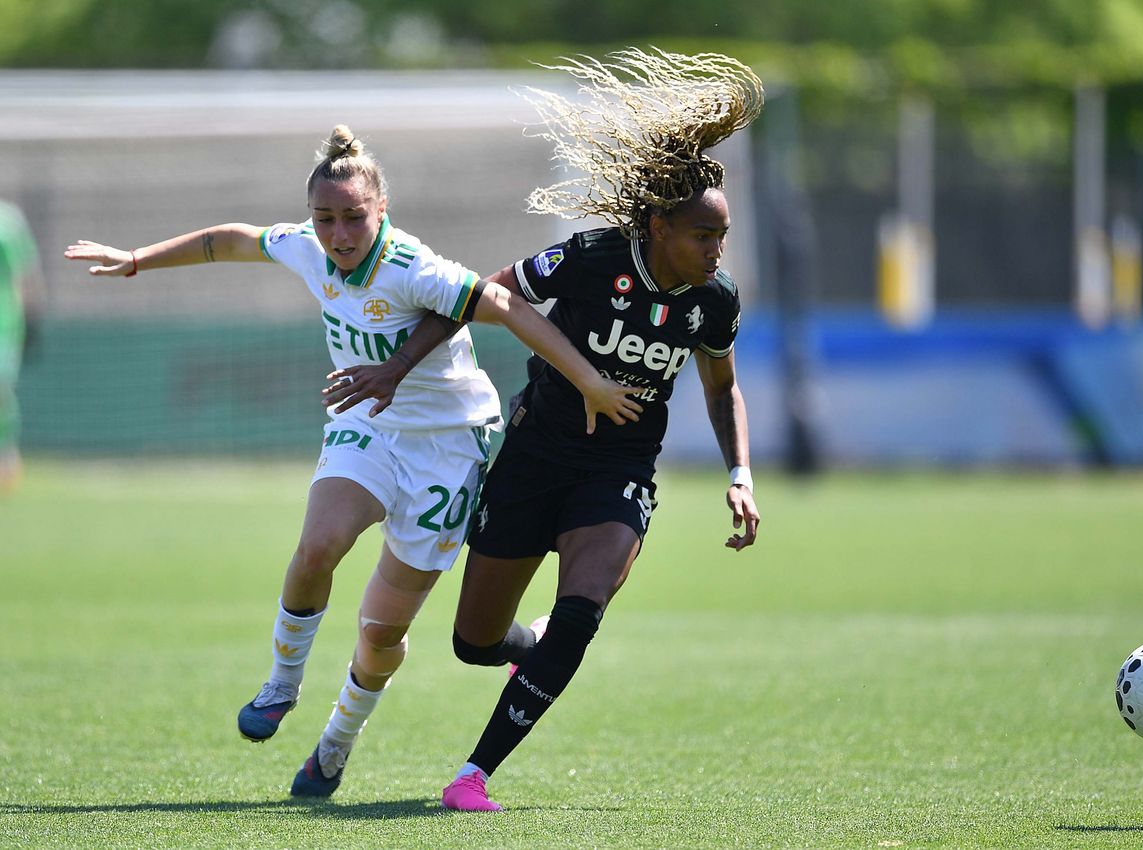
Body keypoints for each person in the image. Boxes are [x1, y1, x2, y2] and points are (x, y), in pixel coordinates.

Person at [64, 125, 642, 798]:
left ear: (382, 213)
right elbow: (231, 239)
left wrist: (588, 381)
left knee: (379, 633)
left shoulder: (413, 269)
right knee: (318, 547)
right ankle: (281, 684)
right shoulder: (307, 248)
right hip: (369, 426)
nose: (338, 234)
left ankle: (335, 744)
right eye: (325, 218)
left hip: (449, 446)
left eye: (353, 218)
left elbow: (508, 306)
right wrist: (137, 258)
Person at [331, 48, 765, 811]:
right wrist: (396, 368)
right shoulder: (592, 259)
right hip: (535, 455)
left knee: (584, 605)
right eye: (703, 236)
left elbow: (722, 389)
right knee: (474, 643)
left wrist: (740, 475)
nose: (715, 251)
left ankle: (472, 775)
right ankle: (524, 650)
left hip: (619, 470)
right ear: (659, 227)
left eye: (720, 238)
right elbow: (482, 296)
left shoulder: (714, 302)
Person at [0, 201, 44, 495]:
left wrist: (33, 317)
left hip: (4, 323)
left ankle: (6, 458)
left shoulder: (8, 220)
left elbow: (27, 275)